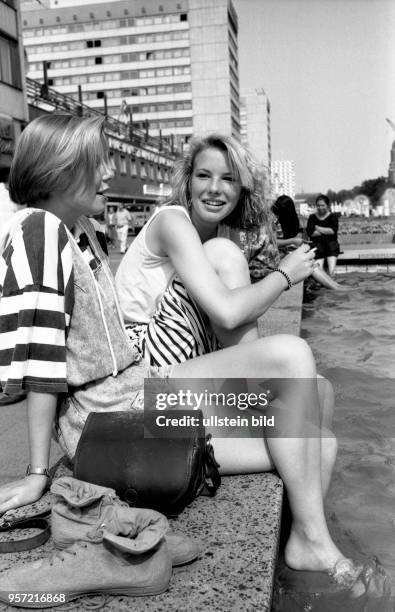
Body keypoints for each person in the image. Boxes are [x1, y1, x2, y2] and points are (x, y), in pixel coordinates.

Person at [0, 115, 376, 595]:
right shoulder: (37, 231)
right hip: (110, 419)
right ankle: (311, 544)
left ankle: (304, 543)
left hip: (143, 391)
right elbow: (40, 358)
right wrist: (37, 473)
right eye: (99, 164)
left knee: (308, 409)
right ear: (61, 168)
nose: (108, 176)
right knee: (302, 404)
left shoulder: (82, 231)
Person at [116, 135, 315, 366]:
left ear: (242, 189)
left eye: (228, 179)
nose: (214, 188)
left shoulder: (217, 232)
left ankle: (253, 381)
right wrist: (284, 275)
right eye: (203, 175)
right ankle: (253, 379)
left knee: (322, 389)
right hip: (140, 369)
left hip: (176, 357)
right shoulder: (171, 221)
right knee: (223, 253)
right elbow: (228, 313)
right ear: (188, 181)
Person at [273, 194, 345, 290]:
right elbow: (272, 242)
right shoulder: (274, 221)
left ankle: (335, 285)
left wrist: (298, 242)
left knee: (312, 262)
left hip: (288, 252)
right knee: (311, 264)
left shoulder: (290, 219)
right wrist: (292, 241)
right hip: (278, 255)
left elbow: (331, 231)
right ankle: (335, 287)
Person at [306, 194, 340, 276]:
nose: (320, 207)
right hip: (317, 245)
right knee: (319, 271)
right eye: (318, 205)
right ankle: (321, 278)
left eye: (322, 205)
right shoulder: (312, 217)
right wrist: (326, 231)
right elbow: (311, 233)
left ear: (327, 206)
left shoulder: (333, 217)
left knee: (331, 246)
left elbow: (332, 231)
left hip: (331, 245)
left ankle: (332, 275)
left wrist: (317, 227)